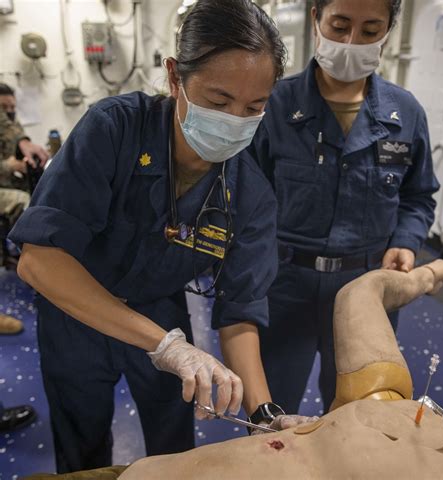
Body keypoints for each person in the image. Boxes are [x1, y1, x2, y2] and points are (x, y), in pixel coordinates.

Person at [8, 0, 299, 473]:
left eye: (254, 108)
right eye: (219, 101)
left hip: (163, 313)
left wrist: (264, 413)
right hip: (76, 311)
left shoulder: (250, 193)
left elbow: (240, 310)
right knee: (81, 446)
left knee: (174, 448)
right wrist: (164, 345)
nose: (233, 120)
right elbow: (39, 260)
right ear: (174, 76)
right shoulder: (114, 129)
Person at [24, 260, 443, 479]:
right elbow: (362, 292)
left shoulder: (381, 399)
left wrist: (426, 276)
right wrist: (424, 276)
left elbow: (361, 290)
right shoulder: (381, 398)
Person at [247, 0, 440, 414]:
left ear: (388, 32)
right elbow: (243, 197)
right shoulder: (273, 105)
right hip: (283, 285)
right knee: (273, 414)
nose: (352, 42)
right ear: (316, 20)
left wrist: (406, 241)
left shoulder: (405, 113)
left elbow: (418, 196)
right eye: (339, 25)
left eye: (370, 31)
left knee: (361, 415)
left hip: (367, 288)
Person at [0, 83, 49, 190]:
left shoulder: (14, 126)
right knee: (23, 200)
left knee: (41, 191)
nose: (9, 111)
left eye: (12, 107)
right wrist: (10, 166)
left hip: (8, 183)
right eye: (3, 107)